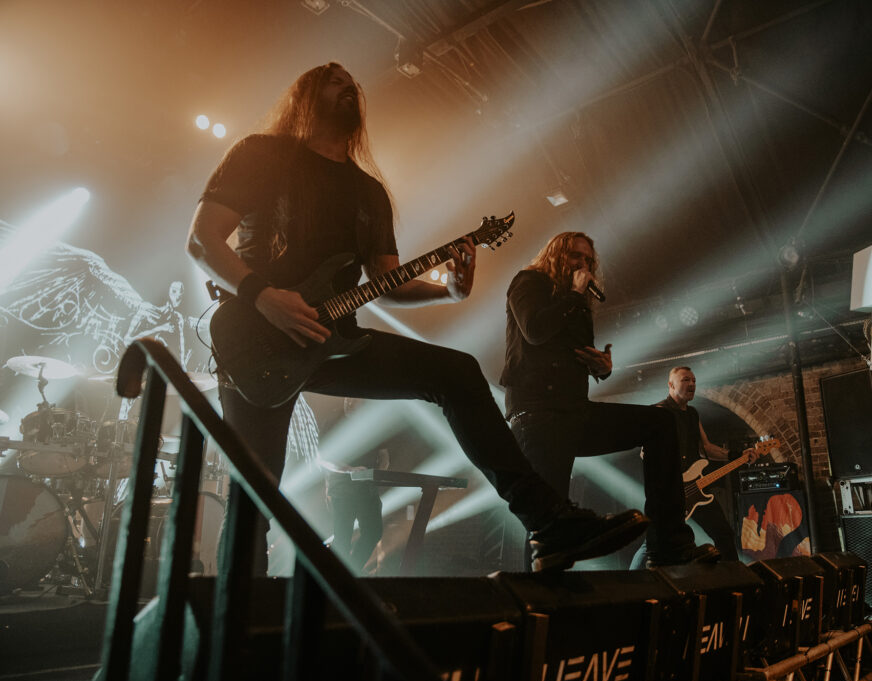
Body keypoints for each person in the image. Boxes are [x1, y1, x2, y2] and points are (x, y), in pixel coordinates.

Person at [185, 62, 647, 574]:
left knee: (457, 372)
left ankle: (548, 522)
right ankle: (233, 627)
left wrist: (445, 290)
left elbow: (385, 281)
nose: (347, 88)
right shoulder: (261, 154)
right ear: (305, 96)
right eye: (333, 82)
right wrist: (264, 295)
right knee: (257, 491)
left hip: (334, 338)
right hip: (256, 338)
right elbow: (202, 239)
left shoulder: (368, 193)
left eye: (352, 85)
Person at [500, 232, 717, 568]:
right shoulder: (528, 282)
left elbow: (574, 354)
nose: (582, 265)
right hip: (538, 414)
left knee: (660, 422)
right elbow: (534, 330)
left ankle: (667, 545)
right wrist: (574, 294)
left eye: (588, 260)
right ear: (556, 255)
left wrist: (601, 367)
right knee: (549, 516)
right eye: (575, 256)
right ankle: (534, 601)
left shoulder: (576, 306)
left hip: (573, 411)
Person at [631, 367, 739, 568]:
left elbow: (705, 448)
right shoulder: (658, 412)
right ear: (671, 385)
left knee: (723, 533)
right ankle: (632, 583)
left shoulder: (692, 414)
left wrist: (736, 455)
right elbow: (645, 453)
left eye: (694, 380)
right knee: (652, 543)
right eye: (685, 380)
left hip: (696, 488)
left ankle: (734, 579)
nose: (692, 384)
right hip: (669, 490)